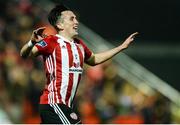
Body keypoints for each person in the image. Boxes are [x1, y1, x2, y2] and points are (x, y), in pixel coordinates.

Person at [20, 4, 138, 124]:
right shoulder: (51, 41)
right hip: (53, 103)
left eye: (76, 18)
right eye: (72, 19)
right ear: (60, 25)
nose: (76, 22)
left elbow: (94, 59)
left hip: (66, 106)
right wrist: (31, 42)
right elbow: (25, 54)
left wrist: (121, 47)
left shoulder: (79, 45)